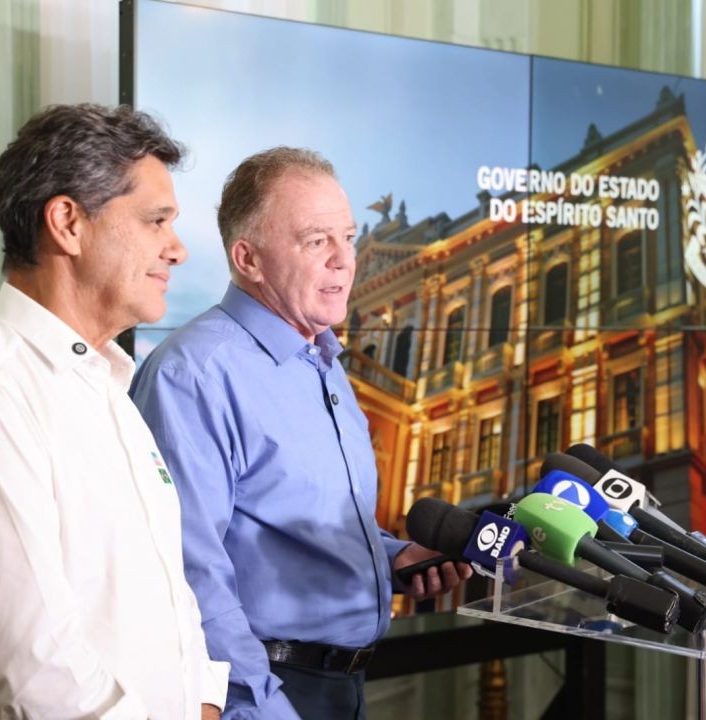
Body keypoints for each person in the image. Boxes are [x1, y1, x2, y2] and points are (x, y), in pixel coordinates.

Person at [0, 104, 229, 719]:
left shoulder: (106, 383)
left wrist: (203, 702)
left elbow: (169, 600)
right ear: (68, 224)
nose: (176, 249)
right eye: (156, 221)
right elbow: (40, 673)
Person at [130, 147, 471, 719]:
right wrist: (259, 708)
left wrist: (392, 556)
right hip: (267, 692)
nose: (345, 261)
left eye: (349, 238)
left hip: (345, 688)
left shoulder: (324, 360)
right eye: (317, 241)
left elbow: (288, 524)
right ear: (249, 259)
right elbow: (189, 575)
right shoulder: (193, 374)